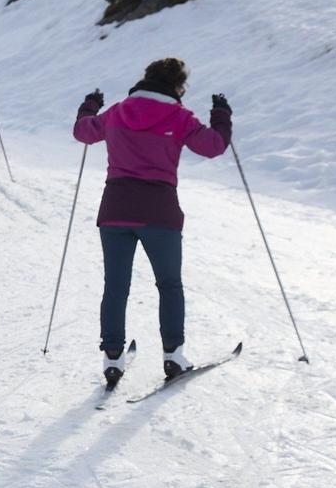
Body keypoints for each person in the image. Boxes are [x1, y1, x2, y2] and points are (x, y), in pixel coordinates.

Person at [73, 60, 232, 383]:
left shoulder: (118, 112)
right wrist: (221, 115)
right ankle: (173, 356)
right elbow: (214, 146)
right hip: (160, 212)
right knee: (169, 284)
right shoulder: (180, 117)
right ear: (177, 85)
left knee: (116, 287)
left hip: (116, 209)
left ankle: (112, 360)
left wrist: (89, 106)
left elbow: (82, 132)